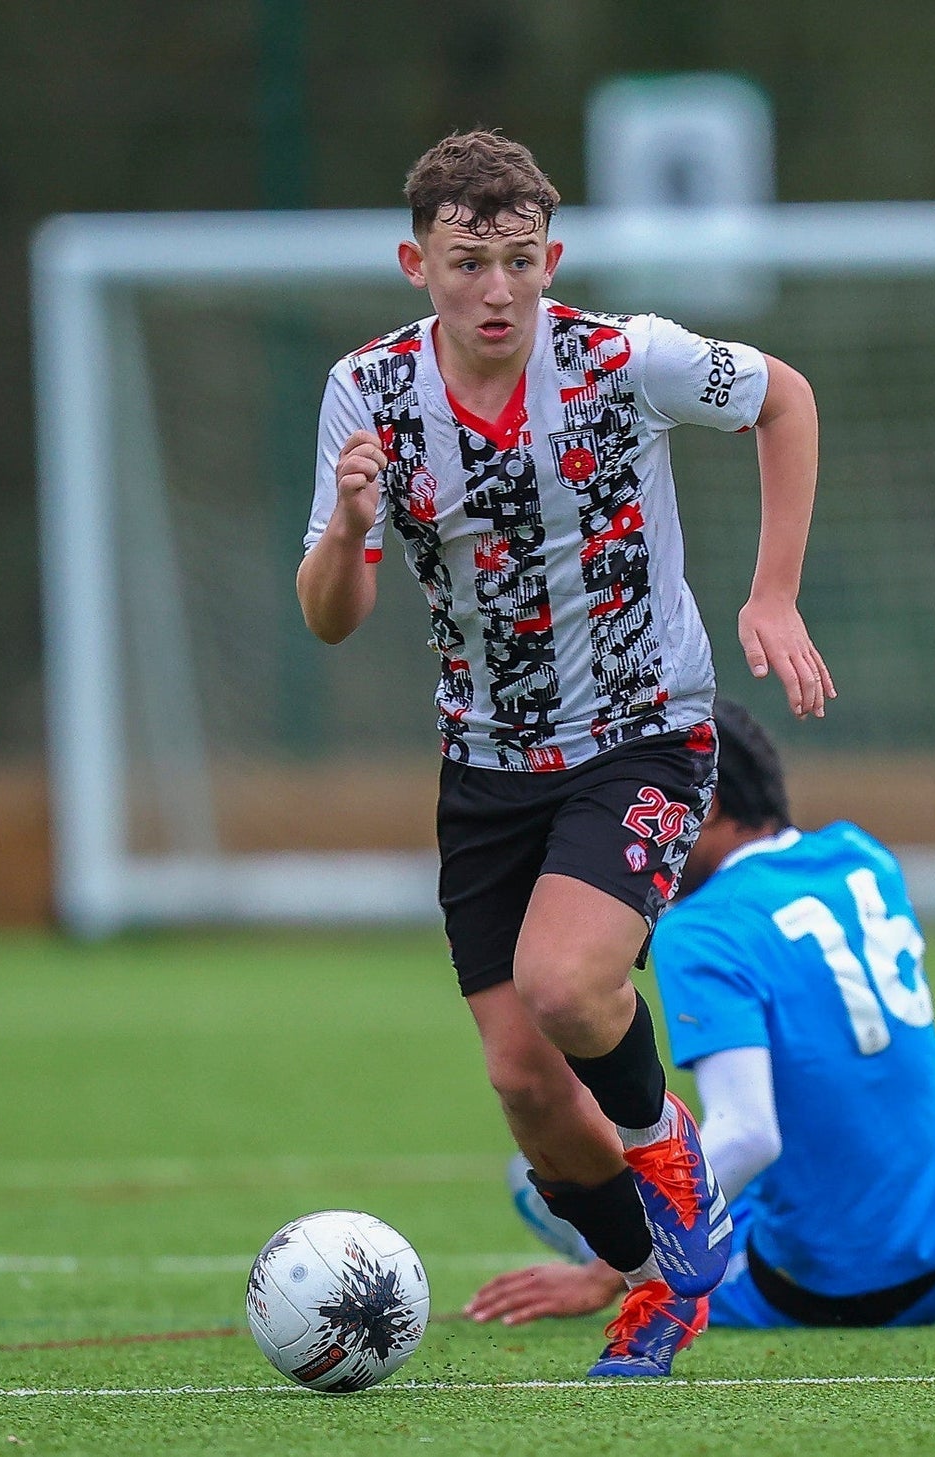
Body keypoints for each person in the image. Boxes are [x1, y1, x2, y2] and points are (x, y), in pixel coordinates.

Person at [296, 133, 837, 1377]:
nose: (497, 289)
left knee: (564, 984)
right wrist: (350, 525)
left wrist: (773, 591)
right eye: (466, 263)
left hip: (642, 732)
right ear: (417, 264)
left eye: (520, 260)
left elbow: (785, 398)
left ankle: (673, 1160)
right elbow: (330, 615)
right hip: (485, 761)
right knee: (528, 1085)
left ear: (553, 256)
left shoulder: (623, 357)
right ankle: (658, 1284)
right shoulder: (365, 393)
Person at [466, 700, 935, 1359]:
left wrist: (603, 1274)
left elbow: (748, 1133)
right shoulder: (861, 856)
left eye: (636, 808)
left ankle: (621, 1256)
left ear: (704, 803)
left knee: (538, 1176)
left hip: (843, 1284)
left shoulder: (705, 925)